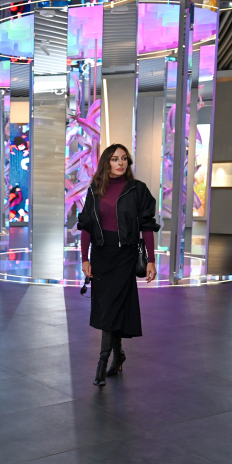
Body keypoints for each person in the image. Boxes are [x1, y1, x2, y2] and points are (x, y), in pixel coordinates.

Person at [78, 144, 159, 387]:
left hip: (125, 256)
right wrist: (84, 258)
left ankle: (102, 363)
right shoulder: (95, 189)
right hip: (101, 255)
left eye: (124, 159)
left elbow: (147, 226)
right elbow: (86, 226)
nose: (120, 163)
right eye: (115, 159)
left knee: (113, 307)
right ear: (107, 162)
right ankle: (119, 354)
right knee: (109, 307)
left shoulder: (138, 190)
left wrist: (151, 260)